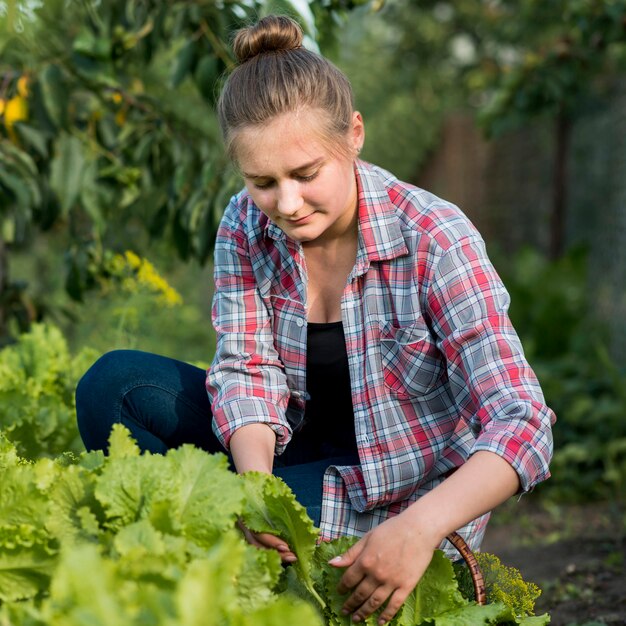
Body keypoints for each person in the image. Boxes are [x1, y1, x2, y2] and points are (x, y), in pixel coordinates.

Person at [76, 14, 555, 624]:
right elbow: (247, 371)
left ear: (353, 135)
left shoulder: (434, 237)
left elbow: (523, 422)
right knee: (112, 387)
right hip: (289, 459)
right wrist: (256, 495)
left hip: (398, 503)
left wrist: (418, 530)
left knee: (223, 528)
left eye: (306, 175)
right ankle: (228, 559)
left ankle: (256, 571)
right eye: (263, 183)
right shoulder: (246, 225)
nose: (288, 204)